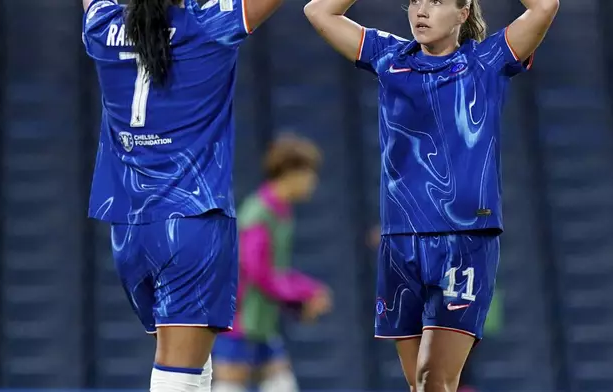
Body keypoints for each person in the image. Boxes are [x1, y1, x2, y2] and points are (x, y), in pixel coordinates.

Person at [304, 0, 559, 391]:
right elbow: (319, 12)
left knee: (433, 376)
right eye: (415, 1)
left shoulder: (487, 61)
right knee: (419, 384)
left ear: (463, 12)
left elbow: (544, 7)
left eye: (436, 2)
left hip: (464, 240)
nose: (421, 10)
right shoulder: (388, 57)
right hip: (400, 241)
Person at [81, 0, 285, 390]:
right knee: (180, 370)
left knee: (191, 361)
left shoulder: (101, 24)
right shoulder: (209, 23)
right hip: (192, 220)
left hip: (129, 227)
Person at [212, 134, 332, 392]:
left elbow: (275, 272)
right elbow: (259, 274)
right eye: (310, 173)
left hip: (262, 322)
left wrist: (306, 292)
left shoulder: (281, 211)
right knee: (230, 386)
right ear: (291, 173)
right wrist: (305, 294)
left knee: (281, 383)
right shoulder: (258, 213)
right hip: (239, 322)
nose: (313, 182)